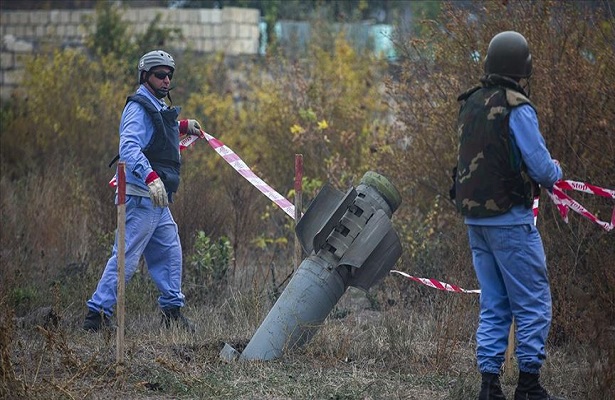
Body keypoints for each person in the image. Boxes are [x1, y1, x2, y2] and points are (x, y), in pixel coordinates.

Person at [453, 32, 564, 400]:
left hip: (475, 221)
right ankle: (529, 385)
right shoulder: (517, 106)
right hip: (511, 221)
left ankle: (489, 385)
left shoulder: (471, 103)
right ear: (522, 69)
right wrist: (557, 172)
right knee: (533, 300)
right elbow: (543, 169)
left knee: (494, 301)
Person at [83, 50, 203, 333]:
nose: (166, 80)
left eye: (169, 75)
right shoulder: (138, 107)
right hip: (140, 195)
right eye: (160, 75)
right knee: (125, 256)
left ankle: (172, 313)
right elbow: (129, 149)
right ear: (145, 76)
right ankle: (97, 316)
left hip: (156, 198)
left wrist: (184, 126)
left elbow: (159, 130)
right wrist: (150, 177)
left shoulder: (155, 105)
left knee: (170, 251)